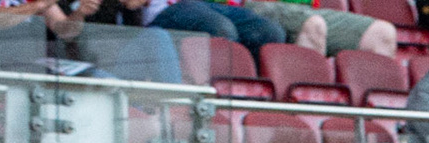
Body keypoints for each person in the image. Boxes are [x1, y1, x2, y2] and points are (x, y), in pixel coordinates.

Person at [147, 0, 286, 63]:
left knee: (269, 31)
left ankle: (248, 96)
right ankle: (216, 95)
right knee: (220, 28)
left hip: (214, 6)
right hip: (167, 9)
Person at [243, 0, 398, 55]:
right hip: (255, 5)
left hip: (306, 8)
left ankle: (374, 125)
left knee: (382, 33)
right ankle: (304, 117)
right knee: (314, 25)